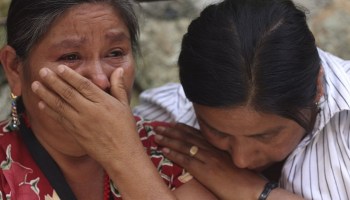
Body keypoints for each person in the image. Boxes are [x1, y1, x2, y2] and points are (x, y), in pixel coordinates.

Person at [134, 0, 350, 199]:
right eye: (217, 132)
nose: (240, 160)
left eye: (266, 136)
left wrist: (254, 192)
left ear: (317, 87)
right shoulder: (167, 118)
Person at [0, 0, 217, 199]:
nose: (100, 80)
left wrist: (125, 159)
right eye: (71, 57)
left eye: (114, 53)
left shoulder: (173, 149)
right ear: (15, 68)